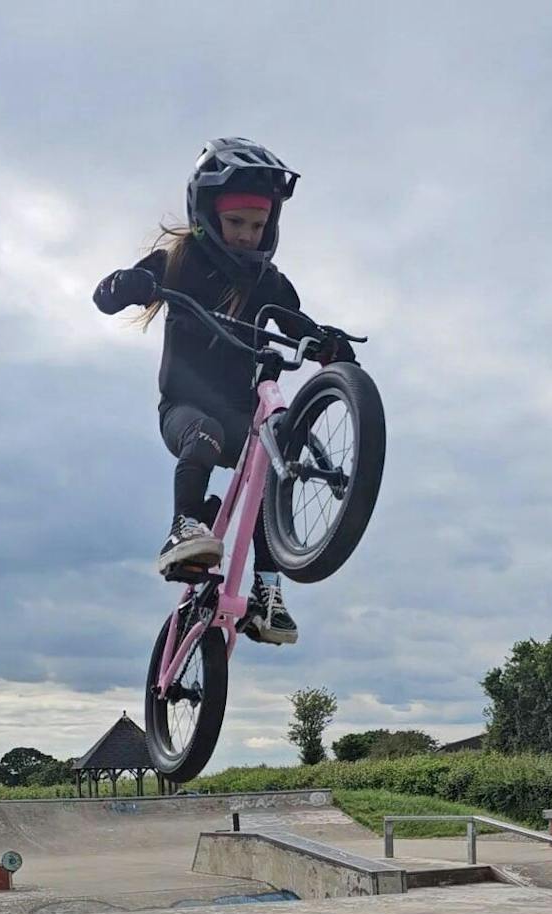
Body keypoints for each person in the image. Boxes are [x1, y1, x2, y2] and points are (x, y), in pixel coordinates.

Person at [93, 137, 352, 646]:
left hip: (242, 421)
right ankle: (185, 525)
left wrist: (327, 344)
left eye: (257, 226)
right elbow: (106, 297)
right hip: (185, 409)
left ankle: (267, 590)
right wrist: (126, 285)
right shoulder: (179, 260)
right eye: (236, 223)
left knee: (271, 471)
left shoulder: (269, 282)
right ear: (207, 215)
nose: (246, 236)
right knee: (205, 433)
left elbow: (297, 323)